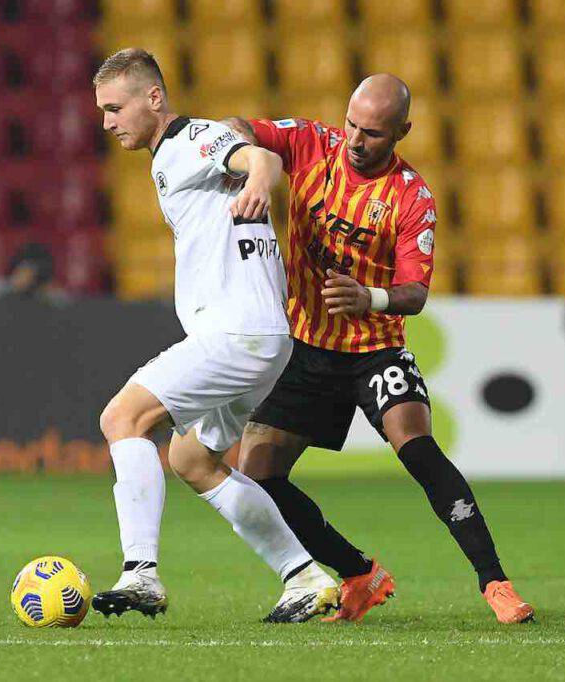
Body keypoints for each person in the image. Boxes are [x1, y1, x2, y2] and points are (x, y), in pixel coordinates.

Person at [224, 74, 535, 624]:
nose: (356, 140)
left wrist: (367, 296)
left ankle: (495, 583)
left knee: (416, 446)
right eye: (351, 124)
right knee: (257, 477)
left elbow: (415, 294)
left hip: (375, 348)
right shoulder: (310, 145)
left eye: (372, 132)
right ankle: (359, 574)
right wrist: (249, 159)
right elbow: (235, 128)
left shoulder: (412, 197)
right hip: (305, 345)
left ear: (401, 133)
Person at [90, 48, 338, 623]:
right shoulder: (168, 157)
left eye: (114, 107)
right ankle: (304, 579)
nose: (106, 122)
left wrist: (256, 177)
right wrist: (249, 179)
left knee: (121, 420)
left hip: (236, 335)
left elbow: (263, 159)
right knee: (193, 458)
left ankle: (140, 574)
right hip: (263, 338)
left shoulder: (191, 140)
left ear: (153, 98)